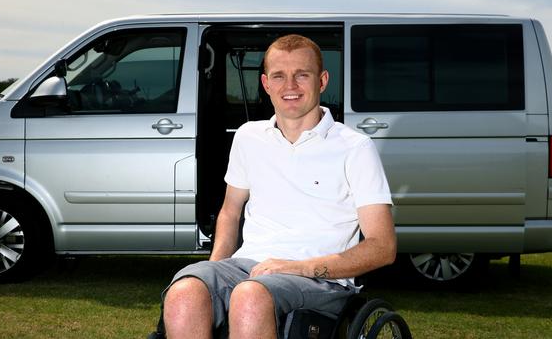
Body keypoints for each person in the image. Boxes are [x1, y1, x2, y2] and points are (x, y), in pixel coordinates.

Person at [161, 34, 396, 339]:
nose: (290, 87)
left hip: (320, 280)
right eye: (279, 76)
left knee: (250, 296)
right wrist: (215, 274)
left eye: (302, 75)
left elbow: (383, 247)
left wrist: (301, 267)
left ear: (322, 81)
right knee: (186, 290)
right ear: (266, 84)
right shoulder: (248, 137)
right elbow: (230, 212)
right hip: (248, 267)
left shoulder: (355, 148)